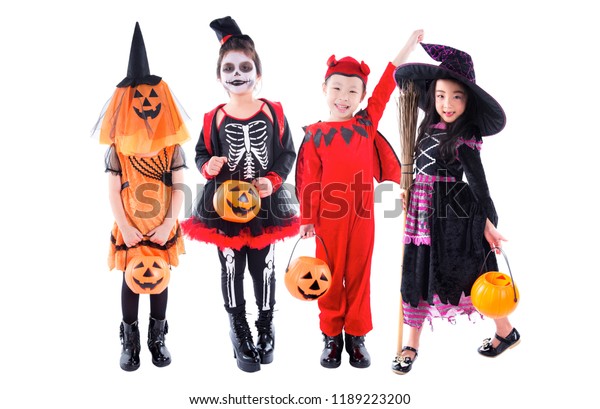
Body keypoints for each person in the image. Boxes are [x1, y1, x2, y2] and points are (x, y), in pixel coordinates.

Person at [295, 29, 424, 369]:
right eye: (337, 88)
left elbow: (386, 86)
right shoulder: (315, 135)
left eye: (353, 91)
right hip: (327, 219)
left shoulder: (365, 124)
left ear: (362, 95)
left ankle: (356, 335)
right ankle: (331, 336)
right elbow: (309, 179)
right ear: (324, 90)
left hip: (363, 215)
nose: (344, 96)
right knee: (328, 275)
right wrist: (307, 219)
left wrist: (407, 48)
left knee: (359, 274)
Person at [390, 43, 519, 375]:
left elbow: (478, 182)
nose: (448, 104)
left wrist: (488, 222)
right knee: (416, 274)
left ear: (467, 102)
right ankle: (411, 344)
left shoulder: (465, 138)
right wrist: (410, 189)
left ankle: (505, 331)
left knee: (472, 276)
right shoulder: (424, 130)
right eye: (441, 96)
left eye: (457, 97)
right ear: (432, 97)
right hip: (419, 217)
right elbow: (420, 170)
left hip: (453, 221)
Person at [181, 16, 299, 373]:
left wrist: (274, 180)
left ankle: (265, 324)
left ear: (257, 73)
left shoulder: (273, 111)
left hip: (265, 205)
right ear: (219, 76)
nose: (237, 73)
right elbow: (201, 154)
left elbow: (287, 152)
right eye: (229, 68)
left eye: (245, 66)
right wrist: (208, 166)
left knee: (265, 268)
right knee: (231, 265)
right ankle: (238, 327)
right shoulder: (212, 118)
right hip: (223, 204)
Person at [94, 22, 190, 371]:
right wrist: (125, 226)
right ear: (125, 104)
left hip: (162, 223)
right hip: (131, 224)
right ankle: (129, 338)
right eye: (139, 99)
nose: (146, 105)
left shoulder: (171, 146)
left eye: (151, 99)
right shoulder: (119, 149)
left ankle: (157, 337)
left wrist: (168, 223)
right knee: (132, 278)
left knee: (159, 275)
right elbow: (112, 190)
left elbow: (180, 187)